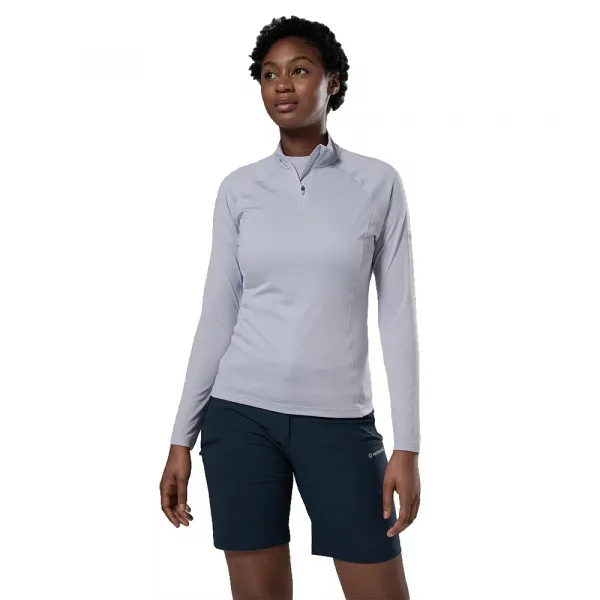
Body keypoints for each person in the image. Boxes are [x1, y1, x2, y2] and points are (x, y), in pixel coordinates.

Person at [160, 15, 421, 600]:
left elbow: (398, 318)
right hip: (239, 419)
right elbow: (217, 315)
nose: (282, 84)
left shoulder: (377, 183)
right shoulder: (238, 189)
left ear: (333, 82)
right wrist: (181, 437)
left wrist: (407, 445)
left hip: (340, 424)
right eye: (269, 73)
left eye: (300, 70)